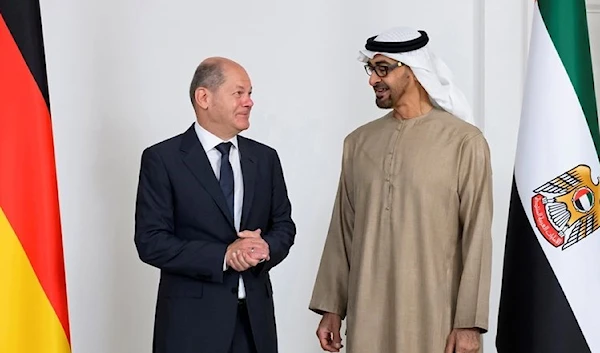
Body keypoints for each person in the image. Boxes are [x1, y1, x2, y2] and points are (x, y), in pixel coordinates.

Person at [309, 27, 493, 353]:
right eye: (371, 69)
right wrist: (332, 309)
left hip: (437, 318)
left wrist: (469, 323)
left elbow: (477, 237)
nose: (372, 79)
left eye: (383, 69)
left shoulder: (464, 142)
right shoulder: (359, 143)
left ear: (412, 71)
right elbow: (343, 231)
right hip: (368, 316)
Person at [134, 57, 296, 353]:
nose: (249, 102)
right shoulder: (163, 159)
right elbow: (150, 241)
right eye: (239, 93)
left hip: (254, 325)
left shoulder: (265, 158)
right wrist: (224, 255)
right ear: (204, 97)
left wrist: (266, 248)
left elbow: (284, 225)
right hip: (189, 328)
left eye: (250, 93)